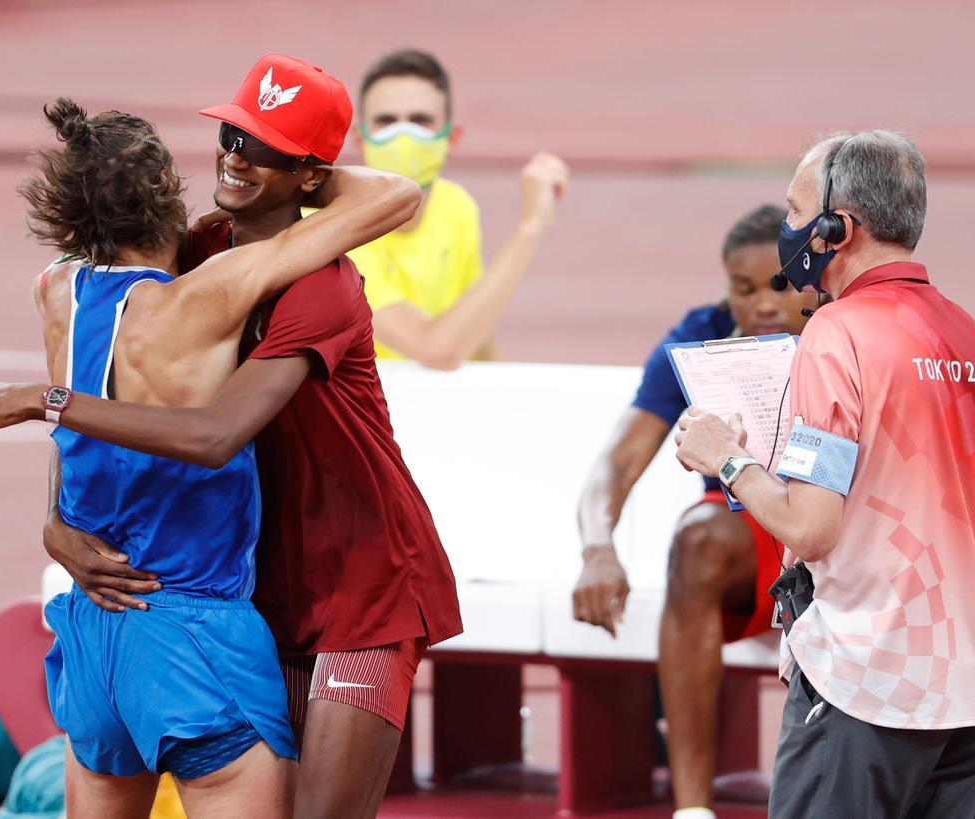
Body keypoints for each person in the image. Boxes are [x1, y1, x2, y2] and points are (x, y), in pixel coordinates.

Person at [0, 54, 463, 819]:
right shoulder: (198, 256)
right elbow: (101, 382)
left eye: (265, 148)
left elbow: (216, 432)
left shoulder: (321, 286)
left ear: (314, 174)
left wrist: (45, 402)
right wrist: (59, 520)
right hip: (264, 581)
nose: (234, 155)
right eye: (231, 133)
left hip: (364, 582)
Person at [675, 130, 975, 818]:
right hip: (963, 693)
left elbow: (810, 527)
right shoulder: (964, 331)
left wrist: (727, 456)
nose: (788, 228)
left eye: (795, 210)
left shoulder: (838, 334)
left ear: (838, 227)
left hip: (866, 684)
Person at [572, 204, 817, 818]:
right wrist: (598, 548)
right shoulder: (695, 338)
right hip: (741, 541)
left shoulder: (841, 330)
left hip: (828, 529)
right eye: (744, 288)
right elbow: (615, 465)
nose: (762, 303)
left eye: (780, 285)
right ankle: (691, 810)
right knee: (698, 539)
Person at [349, 48, 569, 369]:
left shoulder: (456, 206)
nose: (404, 136)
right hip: (355, 412)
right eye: (386, 122)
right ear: (359, 139)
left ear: (451, 138)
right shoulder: (334, 230)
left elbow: (473, 330)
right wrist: (529, 228)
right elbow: (434, 349)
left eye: (420, 121)